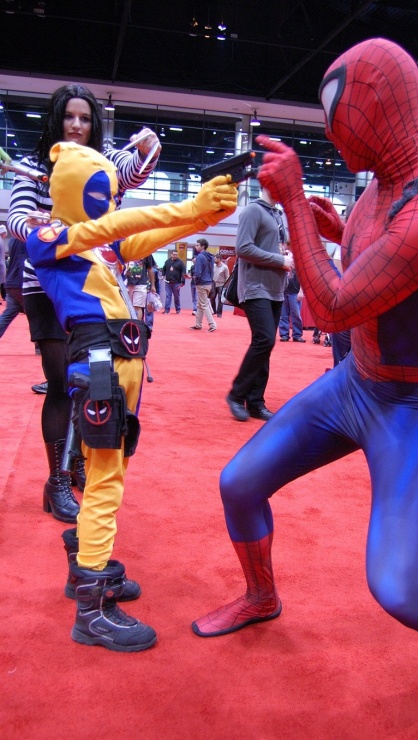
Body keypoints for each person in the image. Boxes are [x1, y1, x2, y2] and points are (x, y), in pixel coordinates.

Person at [192, 38, 418, 729]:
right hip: (356, 384)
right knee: (238, 482)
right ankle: (261, 595)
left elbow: (326, 309)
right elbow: (357, 276)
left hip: (414, 406)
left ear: (380, 109)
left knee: (397, 586)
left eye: (340, 114)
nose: (331, 131)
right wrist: (328, 225)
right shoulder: (381, 189)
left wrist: (294, 202)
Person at [26, 141, 237, 651]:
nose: (110, 200)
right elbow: (111, 228)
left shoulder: (92, 245)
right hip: (101, 364)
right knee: (104, 482)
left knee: (107, 472)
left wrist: (202, 216)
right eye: (103, 189)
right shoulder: (48, 235)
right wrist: (190, 205)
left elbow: (144, 235)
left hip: (116, 365)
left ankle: (86, 575)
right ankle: (92, 610)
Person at [7, 83, 161, 524]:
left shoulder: (102, 159)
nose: (77, 125)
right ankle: (56, 480)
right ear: (57, 120)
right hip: (49, 286)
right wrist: (37, 226)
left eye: (85, 118)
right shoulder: (38, 167)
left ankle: (77, 462)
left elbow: (133, 172)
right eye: (69, 117)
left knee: (92, 382)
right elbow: (17, 215)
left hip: (96, 290)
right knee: (60, 384)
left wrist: (150, 145)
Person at [225, 187, 293, 422]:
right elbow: (243, 248)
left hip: (275, 288)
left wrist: (285, 258)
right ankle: (236, 394)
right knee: (265, 339)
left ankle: (255, 402)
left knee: (264, 344)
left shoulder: (277, 213)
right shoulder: (253, 210)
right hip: (255, 287)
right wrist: (279, 259)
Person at [0, 237, 26, 338]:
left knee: (7, 314)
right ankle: (41, 346)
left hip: (11, 281)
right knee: (37, 316)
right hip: (22, 282)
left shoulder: (12, 240)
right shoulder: (27, 240)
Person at [190, 237, 217, 332]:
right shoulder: (211, 257)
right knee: (200, 304)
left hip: (201, 283)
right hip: (209, 282)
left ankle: (212, 325)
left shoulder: (200, 257)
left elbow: (198, 272)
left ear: (203, 246)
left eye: (197, 245)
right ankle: (198, 324)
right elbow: (212, 271)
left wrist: (196, 280)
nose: (196, 246)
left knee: (204, 304)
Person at [278, 257, 305, 342]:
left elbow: (303, 279)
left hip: (295, 292)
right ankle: (284, 334)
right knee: (283, 315)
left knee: (296, 315)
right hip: (283, 291)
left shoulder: (299, 264)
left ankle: (297, 334)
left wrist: (301, 291)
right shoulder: (283, 263)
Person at [125, 255, 156, 320]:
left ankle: (137, 326)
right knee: (127, 307)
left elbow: (150, 269)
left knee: (137, 307)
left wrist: (153, 285)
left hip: (141, 284)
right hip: (127, 283)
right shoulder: (126, 248)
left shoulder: (147, 252)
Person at [162, 249, 186, 314]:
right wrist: (163, 275)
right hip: (168, 282)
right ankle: (167, 310)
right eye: (174, 254)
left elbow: (184, 272)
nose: (175, 256)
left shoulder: (180, 263)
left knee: (176, 297)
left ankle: (178, 310)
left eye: (176, 255)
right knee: (168, 296)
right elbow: (163, 269)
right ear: (171, 255)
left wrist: (183, 282)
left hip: (176, 283)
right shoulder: (167, 262)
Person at [211, 253, 229, 317]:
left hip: (221, 285)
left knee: (220, 299)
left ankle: (219, 313)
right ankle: (213, 311)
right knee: (212, 298)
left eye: (215, 259)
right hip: (213, 284)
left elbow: (227, 277)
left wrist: (225, 286)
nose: (214, 260)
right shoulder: (213, 266)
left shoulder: (225, 267)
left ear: (219, 259)